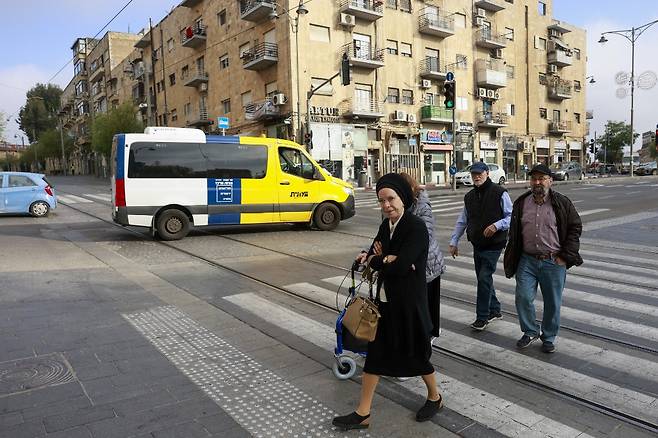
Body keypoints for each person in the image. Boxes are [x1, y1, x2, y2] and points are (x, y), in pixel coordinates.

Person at [332, 173, 443, 431]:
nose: (386, 205)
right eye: (381, 201)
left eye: (390, 199)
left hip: (409, 305)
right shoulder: (386, 225)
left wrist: (385, 260)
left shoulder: (415, 227)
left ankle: (435, 397)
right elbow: (375, 253)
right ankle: (363, 413)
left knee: (417, 356)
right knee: (375, 357)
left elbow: (403, 265)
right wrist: (379, 258)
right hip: (385, 303)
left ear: (402, 198)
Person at [503, 164, 582, 353]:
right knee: (522, 297)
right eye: (534, 179)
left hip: (553, 261)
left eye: (541, 178)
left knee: (553, 302)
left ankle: (548, 336)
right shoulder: (522, 202)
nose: (537, 182)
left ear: (550, 181)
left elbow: (575, 228)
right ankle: (530, 331)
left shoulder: (562, 203)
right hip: (527, 260)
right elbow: (515, 231)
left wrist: (565, 257)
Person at [449, 162, 512, 331]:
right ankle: (495, 309)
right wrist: (454, 241)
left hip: (495, 244)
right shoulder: (469, 196)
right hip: (478, 243)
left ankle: (482, 317)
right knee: (484, 279)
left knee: (484, 277)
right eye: (473, 174)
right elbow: (463, 220)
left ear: (487, 174)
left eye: (480, 173)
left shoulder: (499, 192)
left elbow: (511, 216)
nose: (476, 176)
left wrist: (496, 225)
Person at [399, 172, 445, 342]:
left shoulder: (422, 205)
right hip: (410, 262)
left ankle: (430, 334)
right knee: (417, 302)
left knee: (428, 301)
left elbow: (425, 234)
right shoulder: (395, 206)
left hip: (428, 263)